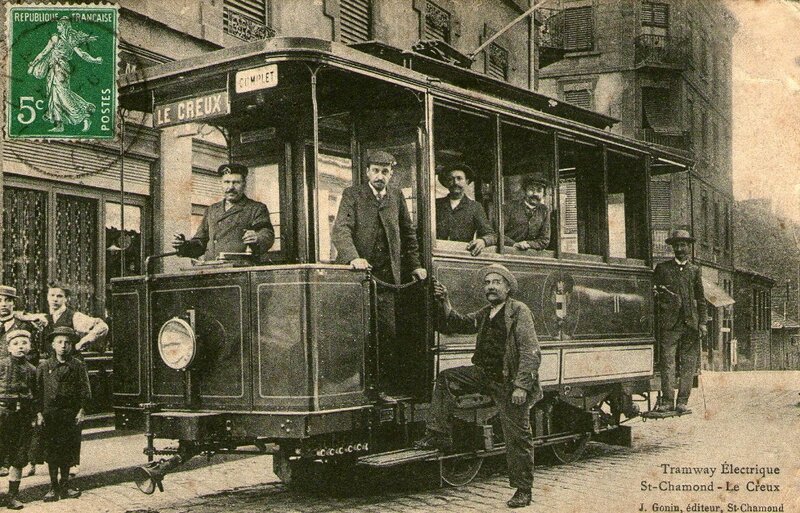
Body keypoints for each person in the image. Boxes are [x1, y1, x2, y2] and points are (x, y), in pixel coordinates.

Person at [414, 264, 542, 508]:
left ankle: (523, 490)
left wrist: (522, 387)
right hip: (484, 375)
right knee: (446, 378)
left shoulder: (518, 311)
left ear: (507, 287)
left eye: (496, 282)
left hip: (509, 382)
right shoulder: (487, 312)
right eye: (487, 283)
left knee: (518, 437)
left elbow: (531, 352)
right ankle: (438, 435)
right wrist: (446, 300)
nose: (491, 286)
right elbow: (459, 323)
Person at [331, 150, 427, 396]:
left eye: (385, 171)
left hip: (387, 280)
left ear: (391, 174)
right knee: (356, 332)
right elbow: (341, 229)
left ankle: (381, 389)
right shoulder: (352, 195)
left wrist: (415, 264)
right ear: (367, 172)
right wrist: (354, 257)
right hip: (357, 279)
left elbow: (408, 234)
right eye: (375, 170)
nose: (379, 176)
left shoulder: (396, 196)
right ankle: (355, 387)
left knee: (386, 333)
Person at [28, 284, 109, 478]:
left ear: (66, 299)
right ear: (47, 297)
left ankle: (73, 462)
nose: (55, 299)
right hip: (50, 369)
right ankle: (33, 462)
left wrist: (82, 342)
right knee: (43, 418)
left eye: (59, 296)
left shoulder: (74, 316)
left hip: (72, 368)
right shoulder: (44, 318)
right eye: (52, 295)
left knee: (71, 419)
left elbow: (102, 326)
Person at [172, 163, 275, 262]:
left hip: (240, 270)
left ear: (244, 184)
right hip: (212, 268)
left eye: (236, 182)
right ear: (220, 184)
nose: (230, 187)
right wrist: (183, 245)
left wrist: (257, 237)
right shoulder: (211, 210)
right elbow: (200, 242)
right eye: (226, 182)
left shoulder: (256, 208)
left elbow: (267, 234)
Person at [653, 229, 707, 414]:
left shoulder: (694, 271)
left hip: (690, 324)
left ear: (689, 247)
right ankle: (668, 401)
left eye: (683, 245)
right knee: (668, 363)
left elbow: (701, 299)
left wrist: (703, 323)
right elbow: (655, 296)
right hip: (669, 325)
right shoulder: (662, 269)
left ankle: (682, 401)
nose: (680, 248)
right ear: (672, 247)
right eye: (677, 245)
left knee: (688, 364)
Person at [37, 327, 90, 502]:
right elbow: (38, 391)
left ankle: (65, 485)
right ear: (53, 345)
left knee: (68, 450)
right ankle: (53, 487)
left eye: (67, 343)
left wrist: (81, 411)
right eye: (59, 342)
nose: (63, 346)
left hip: (70, 415)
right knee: (52, 451)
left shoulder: (78, 365)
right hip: (50, 415)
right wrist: (39, 413)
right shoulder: (44, 366)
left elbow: (85, 390)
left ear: (72, 345)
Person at [27, 17, 102, 133]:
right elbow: (82, 54)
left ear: (63, 26)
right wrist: (94, 60)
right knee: (56, 95)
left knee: (62, 95)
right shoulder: (71, 40)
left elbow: (43, 53)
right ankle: (59, 124)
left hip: (58, 69)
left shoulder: (55, 39)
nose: (57, 28)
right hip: (61, 69)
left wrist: (33, 64)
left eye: (59, 25)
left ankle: (84, 115)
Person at [0, 330, 38, 510]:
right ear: (8, 348)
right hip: (2, 414)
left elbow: (36, 395)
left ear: (30, 347)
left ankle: (12, 496)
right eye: (15, 343)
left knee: (19, 455)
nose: (20, 346)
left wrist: (34, 415)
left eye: (24, 343)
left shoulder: (32, 369)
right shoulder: (1, 365)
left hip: (22, 416)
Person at [435, 163, 496, 256]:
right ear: (447, 183)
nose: (455, 182)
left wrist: (483, 241)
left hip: (462, 256)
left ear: (467, 182)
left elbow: (491, 235)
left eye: (459, 178)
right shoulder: (436, 204)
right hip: (437, 255)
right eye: (450, 179)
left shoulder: (475, 207)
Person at [502, 175, 551, 251]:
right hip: (508, 251)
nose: (535, 194)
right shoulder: (509, 207)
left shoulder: (544, 210)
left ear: (543, 194)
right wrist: (514, 244)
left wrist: (528, 244)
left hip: (532, 254)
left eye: (539, 191)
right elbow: (498, 234)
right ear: (524, 191)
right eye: (531, 190)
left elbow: (545, 240)